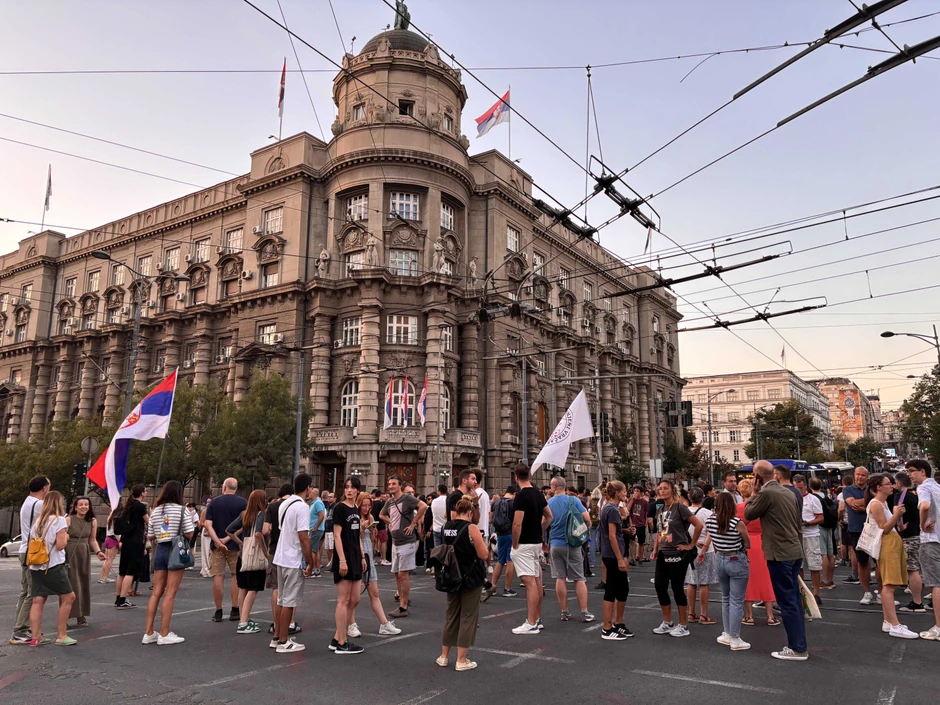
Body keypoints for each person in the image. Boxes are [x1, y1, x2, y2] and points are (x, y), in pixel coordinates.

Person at [744, 460, 808, 661]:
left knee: (787, 601)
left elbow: (748, 513)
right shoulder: (788, 492)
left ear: (758, 477)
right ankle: (799, 644)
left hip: (779, 552)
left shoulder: (767, 493)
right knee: (793, 601)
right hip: (794, 549)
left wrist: (753, 494)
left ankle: (797, 648)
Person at [437, 495, 489, 671]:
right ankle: (461, 659)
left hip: (451, 575)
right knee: (468, 616)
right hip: (470, 575)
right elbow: (484, 555)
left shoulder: (445, 527)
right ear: (469, 512)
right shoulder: (471, 528)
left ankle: (443, 656)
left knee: (451, 615)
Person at [864, 473, 918, 639]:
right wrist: (897, 514)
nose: (892, 486)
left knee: (890, 584)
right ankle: (895, 625)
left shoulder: (882, 503)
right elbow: (884, 528)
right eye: (888, 484)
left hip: (892, 543)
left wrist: (897, 522)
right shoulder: (876, 504)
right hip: (887, 545)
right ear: (879, 487)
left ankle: (888, 622)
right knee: (889, 585)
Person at [142, 481, 195, 646]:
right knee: (170, 592)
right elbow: (189, 532)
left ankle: (149, 632)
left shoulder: (156, 510)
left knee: (156, 592)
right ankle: (164, 633)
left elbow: (150, 535)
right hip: (175, 550)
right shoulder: (182, 510)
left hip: (161, 550)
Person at [650, 479, 704, 637]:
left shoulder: (680, 508)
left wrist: (690, 545)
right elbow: (661, 533)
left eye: (665, 488)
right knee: (660, 586)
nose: (662, 491)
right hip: (663, 552)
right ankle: (667, 622)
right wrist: (655, 549)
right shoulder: (660, 510)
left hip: (678, 554)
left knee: (677, 588)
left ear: (672, 490)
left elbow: (698, 525)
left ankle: (683, 625)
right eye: (660, 489)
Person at [700, 491, 751, 651]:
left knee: (726, 598)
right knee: (737, 600)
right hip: (736, 558)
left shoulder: (710, 521)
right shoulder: (737, 522)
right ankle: (735, 638)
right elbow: (747, 543)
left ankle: (727, 633)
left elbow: (712, 538)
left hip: (719, 558)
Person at [347, 493, 401, 638]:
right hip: (357, 556)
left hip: (368, 556)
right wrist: (360, 528)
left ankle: (384, 624)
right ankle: (351, 625)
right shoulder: (354, 517)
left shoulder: (370, 517)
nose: (366, 508)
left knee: (374, 593)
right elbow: (351, 537)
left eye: (368, 505)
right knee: (355, 597)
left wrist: (371, 530)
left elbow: (371, 539)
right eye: (363, 505)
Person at [272, 474, 315, 653]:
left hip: (281, 556)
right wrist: (310, 562)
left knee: (282, 599)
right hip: (292, 558)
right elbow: (303, 536)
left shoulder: (285, 504)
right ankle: (283, 641)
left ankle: (277, 637)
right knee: (289, 601)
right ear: (307, 488)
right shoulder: (302, 508)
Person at [28, 490, 76, 646]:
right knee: (68, 597)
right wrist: (67, 536)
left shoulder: (38, 522)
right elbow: (61, 545)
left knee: (38, 599)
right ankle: (61, 635)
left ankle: (36, 637)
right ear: (58, 503)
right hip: (53, 565)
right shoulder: (59, 520)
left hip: (36, 565)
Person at [510, 463, 552, 635]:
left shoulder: (521, 496)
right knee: (536, 581)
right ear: (530, 476)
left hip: (525, 544)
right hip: (535, 542)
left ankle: (531, 622)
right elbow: (549, 516)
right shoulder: (538, 494)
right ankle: (537, 618)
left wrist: (515, 542)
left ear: (516, 476)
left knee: (530, 583)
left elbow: (517, 522)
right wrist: (540, 530)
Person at [546, 476, 594, 623]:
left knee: (560, 578)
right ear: (564, 487)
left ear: (553, 487)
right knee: (579, 578)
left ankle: (564, 612)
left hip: (555, 543)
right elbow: (587, 518)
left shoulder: (548, 502)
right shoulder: (573, 500)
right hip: (572, 543)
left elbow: (544, 522)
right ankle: (584, 612)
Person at [379, 476, 428, 619]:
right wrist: (390, 521)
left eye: (394, 484)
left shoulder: (407, 498)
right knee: (396, 573)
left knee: (403, 574)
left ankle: (403, 606)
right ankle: (401, 598)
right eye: (389, 484)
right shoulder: (390, 501)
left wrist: (413, 524)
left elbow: (423, 506)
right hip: (395, 542)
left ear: (400, 486)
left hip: (407, 541)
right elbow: (381, 514)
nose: (391, 486)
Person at [9, 476, 50, 645]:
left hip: (25, 550)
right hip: (32, 552)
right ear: (45, 488)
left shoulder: (28, 502)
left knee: (25, 592)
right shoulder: (38, 504)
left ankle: (21, 628)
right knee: (32, 593)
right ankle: (19, 631)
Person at [905, 459, 940, 641]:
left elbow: (925, 505)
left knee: (936, 585)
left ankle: (939, 627)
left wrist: (922, 523)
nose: (909, 474)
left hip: (930, 541)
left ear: (923, 472)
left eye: (911, 471)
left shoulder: (923, 488)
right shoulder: (938, 487)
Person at [204, 478, 248, 623]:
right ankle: (235, 609)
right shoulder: (243, 502)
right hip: (236, 544)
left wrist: (218, 541)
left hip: (217, 547)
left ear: (224, 487)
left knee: (218, 576)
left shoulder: (214, 502)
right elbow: (245, 523)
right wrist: (229, 538)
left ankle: (218, 611)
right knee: (236, 576)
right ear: (236, 488)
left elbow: (208, 524)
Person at [330, 477, 365, 655]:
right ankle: (342, 642)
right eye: (347, 487)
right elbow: (337, 536)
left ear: (358, 490)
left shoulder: (356, 509)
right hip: (344, 558)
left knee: (355, 599)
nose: (349, 490)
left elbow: (357, 534)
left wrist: (363, 555)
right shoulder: (339, 508)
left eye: (352, 487)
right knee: (343, 600)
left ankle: (337, 636)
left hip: (356, 556)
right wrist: (342, 560)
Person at [225, 489, 269, 634]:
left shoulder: (244, 514)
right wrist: (265, 550)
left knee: (243, 587)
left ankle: (243, 618)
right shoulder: (262, 514)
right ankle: (243, 623)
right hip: (255, 556)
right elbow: (258, 534)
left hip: (243, 556)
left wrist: (240, 542)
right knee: (253, 588)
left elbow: (229, 530)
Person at [736, 479, 778, 626]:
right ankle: (770, 616)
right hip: (763, 543)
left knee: (747, 580)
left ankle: (749, 616)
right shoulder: (763, 508)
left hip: (746, 545)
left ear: (741, 492)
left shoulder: (738, 508)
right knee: (766, 579)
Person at [262, 484, 297, 637]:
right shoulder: (296, 506)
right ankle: (290, 622)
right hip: (291, 551)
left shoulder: (272, 506)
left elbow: (265, 530)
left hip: (275, 549)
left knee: (277, 588)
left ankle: (277, 624)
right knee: (291, 590)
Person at [598, 481, 631, 641]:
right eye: (624, 491)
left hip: (611, 553)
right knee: (612, 589)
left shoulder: (609, 508)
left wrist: (624, 530)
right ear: (617, 493)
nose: (626, 493)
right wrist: (620, 558)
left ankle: (617, 624)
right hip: (612, 555)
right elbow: (611, 536)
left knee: (622, 588)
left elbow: (612, 532)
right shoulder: (612, 509)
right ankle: (607, 627)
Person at [65, 496, 105, 627]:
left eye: (86, 504)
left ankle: (81, 616)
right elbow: (62, 537)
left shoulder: (92, 521)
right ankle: (64, 616)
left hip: (84, 553)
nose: (83, 507)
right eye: (81, 504)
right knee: (70, 585)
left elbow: (92, 540)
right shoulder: (68, 519)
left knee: (83, 583)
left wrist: (99, 552)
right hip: (70, 552)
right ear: (75, 507)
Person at [841, 467, 874, 603]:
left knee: (879, 562)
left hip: (874, 529)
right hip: (856, 530)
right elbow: (851, 503)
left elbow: (878, 502)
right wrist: (869, 504)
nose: (860, 477)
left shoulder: (871, 488)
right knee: (862, 562)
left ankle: (882, 592)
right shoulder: (847, 489)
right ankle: (867, 592)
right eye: (858, 474)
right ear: (854, 475)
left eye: (863, 475)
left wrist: (862, 506)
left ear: (867, 477)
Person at [684, 487, 717, 626]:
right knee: (704, 583)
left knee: (691, 582)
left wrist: (693, 542)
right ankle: (703, 614)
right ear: (702, 498)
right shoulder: (708, 513)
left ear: (690, 498)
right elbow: (711, 532)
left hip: (689, 550)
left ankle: (691, 612)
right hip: (706, 549)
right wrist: (703, 548)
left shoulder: (684, 512)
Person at [894, 471, 925, 614]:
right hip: (921, 533)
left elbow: (898, 512)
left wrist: (900, 526)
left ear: (899, 483)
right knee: (921, 568)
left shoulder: (901, 496)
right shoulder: (916, 494)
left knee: (913, 569)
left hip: (909, 535)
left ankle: (917, 602)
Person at [115, 484, 149, 610]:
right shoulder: (140, 506)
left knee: (122, 571)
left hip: (126, 540)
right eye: (145, 491)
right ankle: (123, 599)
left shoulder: (128, 505)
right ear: (142, 493)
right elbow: (148, 521)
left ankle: (118, 597)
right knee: (131, 571)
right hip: (136, 540)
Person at [793, 474, 824, 606]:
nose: (799, 490)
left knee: (814, 565)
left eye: (801, 487)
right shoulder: (791, 499)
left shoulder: (813, 499)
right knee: (798, 566)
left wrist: (809, 522)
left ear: (805, 486)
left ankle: (816, 593)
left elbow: (821, 518)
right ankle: (801, 592)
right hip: (797, 535)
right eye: (796, 488)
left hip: (811, 534)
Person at [810, 477, 838, 590]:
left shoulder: (813, 498)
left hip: (820, 526)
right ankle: (830, 579)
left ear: (810, 486)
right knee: (830, 553)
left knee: (823, 553)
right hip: (829, 526)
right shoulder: (826, 496)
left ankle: (825, 580)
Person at [491, 484, 517, 597]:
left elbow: (491, 517)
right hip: (510, 533)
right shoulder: (513, 503)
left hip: (500, 533)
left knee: (500, 561)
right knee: (510, 561)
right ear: (514, 494)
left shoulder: (496, 502)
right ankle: (507, 589)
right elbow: (517, 521)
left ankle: (492, 586)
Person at [98, 503, 120, 584]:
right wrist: (120, 541)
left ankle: (103, 577)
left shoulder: (110, 517)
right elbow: (116, 532)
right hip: (113, 539)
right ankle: (104, 577)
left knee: (107, 559)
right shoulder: (115, 519)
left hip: (108, 538)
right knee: (110, 560)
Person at [627, 486, 650, 565]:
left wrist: (645, 522)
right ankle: (633, 558)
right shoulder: (631, 500)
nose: (635, 493)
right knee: (632, 541)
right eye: (634, 491)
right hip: (633, 523)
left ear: (641, 493)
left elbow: (646, 513)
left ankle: (640, 558)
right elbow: (627, 510)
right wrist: (632, 500)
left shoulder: (645, 502)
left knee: (641, 542)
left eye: (637, 491)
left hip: (641, 524)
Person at [308, 489, 326, 578]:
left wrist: (315, 527)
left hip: (316, 529)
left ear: (314, 494)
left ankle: (314, 569)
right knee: (315, 550)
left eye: (310, 493)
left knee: (313, 550)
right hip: (315, 529)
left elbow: (321, 515)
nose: (309, 494)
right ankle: (316, 569)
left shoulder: (317, 503)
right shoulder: (314, 503)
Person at [199, 498, 212, 578]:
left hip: (213, 532)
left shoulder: (215, 512)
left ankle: (210, 568)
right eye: (207, 502)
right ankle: (205, 569)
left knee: (211, 552)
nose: (208, 504)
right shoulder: (205, 511)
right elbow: (201, 523)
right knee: (206, 550)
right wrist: (208, 525)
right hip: (207, 532)